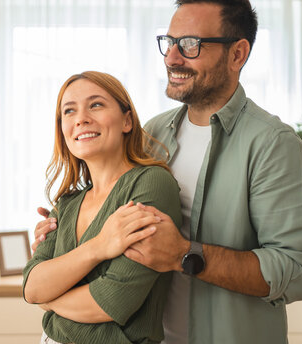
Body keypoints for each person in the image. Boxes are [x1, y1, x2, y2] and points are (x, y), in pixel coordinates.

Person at [33, 0, 302, 344]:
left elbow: (298, 273)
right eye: (169, 42)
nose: (171, 57)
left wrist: (185, 255)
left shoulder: (274, 146)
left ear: (238, 54)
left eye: (190, 44)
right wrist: (64, 232)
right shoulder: (153, 135)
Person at [22, 71, 183, 344]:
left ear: (127, 121)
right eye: (69, 111)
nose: (81, 118)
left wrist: (49, 297)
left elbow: (113, 301)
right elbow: (32, 287)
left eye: (95, 104)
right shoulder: (66, 204)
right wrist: (101, 245)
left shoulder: (151, 183)